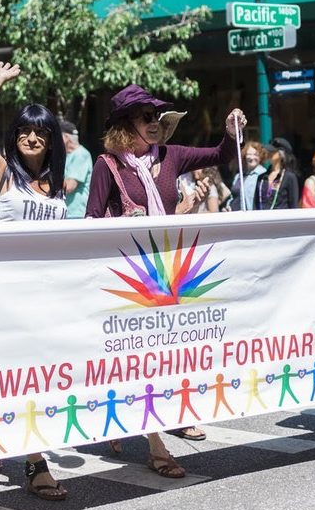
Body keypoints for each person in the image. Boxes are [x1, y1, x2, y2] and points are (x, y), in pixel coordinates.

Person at [85, 82, 244, 474]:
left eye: (156, 115)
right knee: (138, 360)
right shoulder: (108, 165)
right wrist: (124, 221)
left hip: (171, 271)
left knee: (161, 359)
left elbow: (222, 154)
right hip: (128, 276)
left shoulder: (172, 155)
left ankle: (127, 418)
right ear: (126, 123)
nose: (154, 122)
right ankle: (157, 448)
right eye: (145, 116)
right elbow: (90, 221)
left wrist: (231, 131)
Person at [0, 62, 69, 500]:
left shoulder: (57, 187)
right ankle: (35, 462)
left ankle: (3, 440)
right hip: (1, 299)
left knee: (34, 381)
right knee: (17, 380)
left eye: (41, 132)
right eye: (25, 129)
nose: (32, 137)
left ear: (51, 140)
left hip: (45, 299)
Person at [254, 137, 300, 210]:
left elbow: (293, 205)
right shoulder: (261, 178)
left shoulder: (289, 177)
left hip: (282, 220)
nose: (269, 153)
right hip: (262, 219)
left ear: (281, 154)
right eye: (269, 151)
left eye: (272, 151)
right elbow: (256, 204)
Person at [60, 120, 92, 219]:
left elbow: (69, 186)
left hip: (76, 215)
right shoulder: (66, 156)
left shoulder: (81, 154)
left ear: (66, 137)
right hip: (66, 214)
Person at [230, 141, 268, 211]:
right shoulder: (239, 176)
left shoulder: (264, 175)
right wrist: (228, 206)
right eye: (249, 154)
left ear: (261, 157)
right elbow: (232, 197)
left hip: (253, 217)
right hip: (236, 216)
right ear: (245, 156)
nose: (252, 157)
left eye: (255, 154)